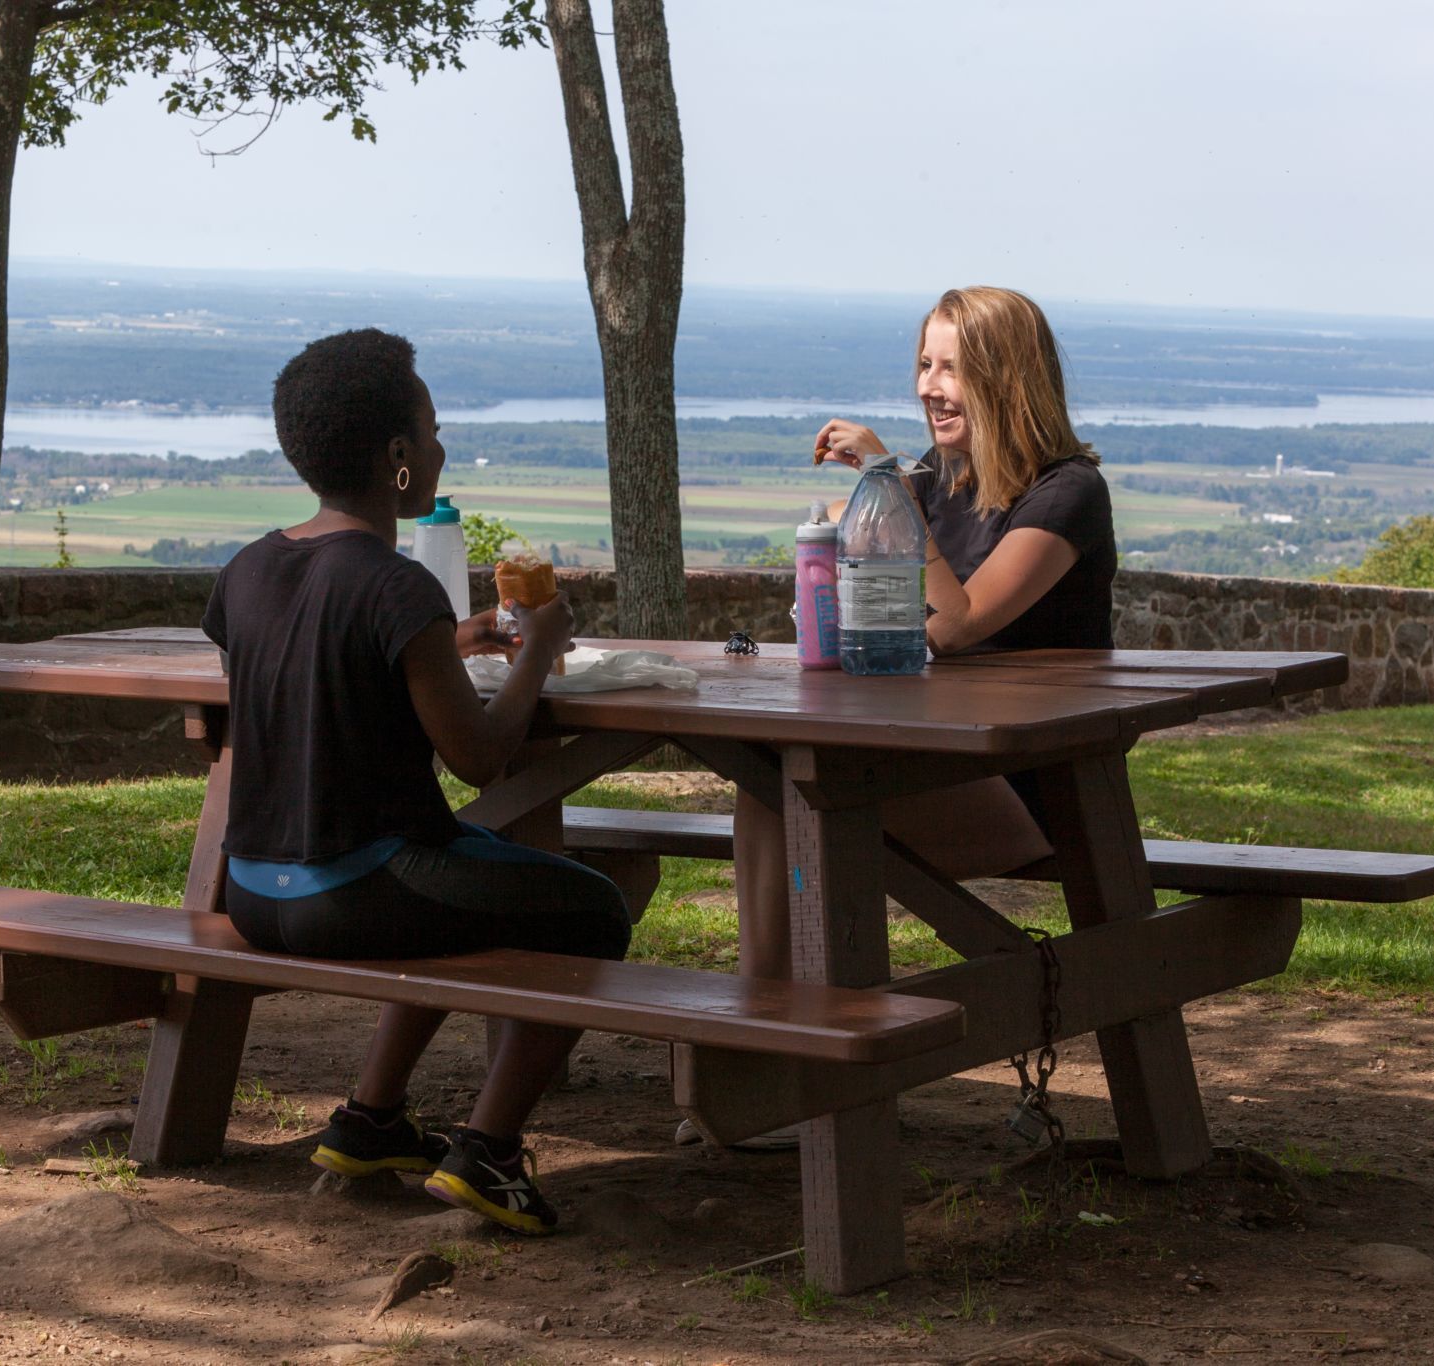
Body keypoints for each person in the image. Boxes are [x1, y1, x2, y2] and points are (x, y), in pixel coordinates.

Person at [202, 328, 631, 1234]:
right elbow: (481, 757)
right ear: (398, 455)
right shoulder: (395, 585)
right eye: (432, 434)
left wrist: (451, 642)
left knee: (462, 876)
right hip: (356, 891)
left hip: (254, 891)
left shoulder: (247, 570)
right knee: (595, 909)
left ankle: (372, 1121)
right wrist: (540, 649)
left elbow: (321, 661)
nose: (440, 450)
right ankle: (490, 1154)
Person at [705, 286, 1114, 1145]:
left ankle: (791, 1060)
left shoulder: (1066, 495)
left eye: (952, 368)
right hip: (928, 757)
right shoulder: (939, 481)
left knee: (798, 801)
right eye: (925, 364)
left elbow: (959, 624)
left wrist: (887, 484)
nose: (930, 386)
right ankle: (766, 1041)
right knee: (767, 779)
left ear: (1007, 378)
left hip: (1029, 783)